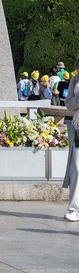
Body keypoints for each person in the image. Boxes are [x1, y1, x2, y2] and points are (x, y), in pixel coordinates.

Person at [63, 56, 79, 221]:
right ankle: (74, 208)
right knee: (76, 168)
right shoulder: (75, 80)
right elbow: (68, 104)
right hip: (78, 128)